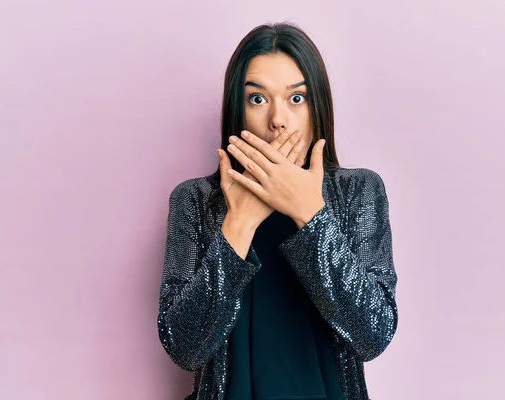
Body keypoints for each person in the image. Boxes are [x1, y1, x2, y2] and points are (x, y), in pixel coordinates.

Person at [157, 22, 399, 400]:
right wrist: (240, 222)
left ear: (318, 109)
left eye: (296, 98)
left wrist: (311, 215)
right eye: (257, 99)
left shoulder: (358, 191)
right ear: (237, 111)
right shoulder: (195, 200)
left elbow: (373, 335)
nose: (278, 120)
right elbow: (184, 348)